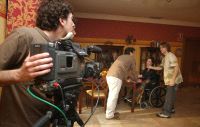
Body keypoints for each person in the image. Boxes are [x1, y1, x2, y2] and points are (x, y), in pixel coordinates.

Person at [0, 0, 75, 126]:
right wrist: (18, 75)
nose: (73, 25)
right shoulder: (24, 36)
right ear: (62, 20)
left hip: (45, 121)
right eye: (72, 20)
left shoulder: (60, 46)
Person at [148, 42, 183, 118]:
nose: (160, 49)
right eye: (160, 48)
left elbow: (176, 68)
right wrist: (151, 67)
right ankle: (171, 109)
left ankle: (166, 113)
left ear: (166, 48)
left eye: (162, 47)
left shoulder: (171, 56)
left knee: (168, 96)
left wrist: (173, 80)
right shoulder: (165, 57)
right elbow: (160, 67)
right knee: (171, 95)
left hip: (174, 80)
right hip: (170, 80)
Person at [106, 47, 137, 120]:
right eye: (134, 53)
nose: (134, 54)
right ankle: (109, 115)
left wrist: (127, 78)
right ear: (131, 52)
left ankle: (111, 112)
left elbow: (123, 69)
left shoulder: (120, 57)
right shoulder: (131, 58)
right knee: (113, 96)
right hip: (116, 77)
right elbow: (133, 71)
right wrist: (135, 79)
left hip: (109, 76)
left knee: (112, 95)